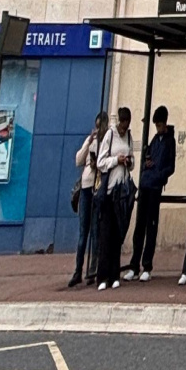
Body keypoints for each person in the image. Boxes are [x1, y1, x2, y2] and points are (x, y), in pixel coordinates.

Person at [125, 106, 174, 281]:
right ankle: (134, 265)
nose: (158, 128)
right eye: (156, 125)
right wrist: (147, 166)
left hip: (155, 187)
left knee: (151, 226)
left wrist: (159, 174)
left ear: (165, 123)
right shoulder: (154, 140)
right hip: (146, 184)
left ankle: (147, 265)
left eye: (159, 125)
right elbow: (148, 157)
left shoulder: (170, 141)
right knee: (139, 227)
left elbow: (171, 167)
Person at [94, 107, 134, 290]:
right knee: (106, 234)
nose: (125, 129)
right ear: (119, 121)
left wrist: (128, 161)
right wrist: (115, 160)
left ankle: (114, 274)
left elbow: (132, 163)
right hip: (110, 190)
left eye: (127, 126)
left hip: (122, 192)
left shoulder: (129, 137)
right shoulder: (110, 136)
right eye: (123, 125)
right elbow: (100, 162)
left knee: (118, 234)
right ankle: (102, 276)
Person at [68, 112, 107, 289]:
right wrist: (88, 143)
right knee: (83, 232)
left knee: (95, 231)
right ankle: (78, 270)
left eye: (101, 126)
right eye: (96, 126)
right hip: (86, 187)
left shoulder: (107, 142)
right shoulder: (91, 140)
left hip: (98, 188)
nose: (98, 130)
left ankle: (92, 270)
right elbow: (78, 160)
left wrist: (97, 164)